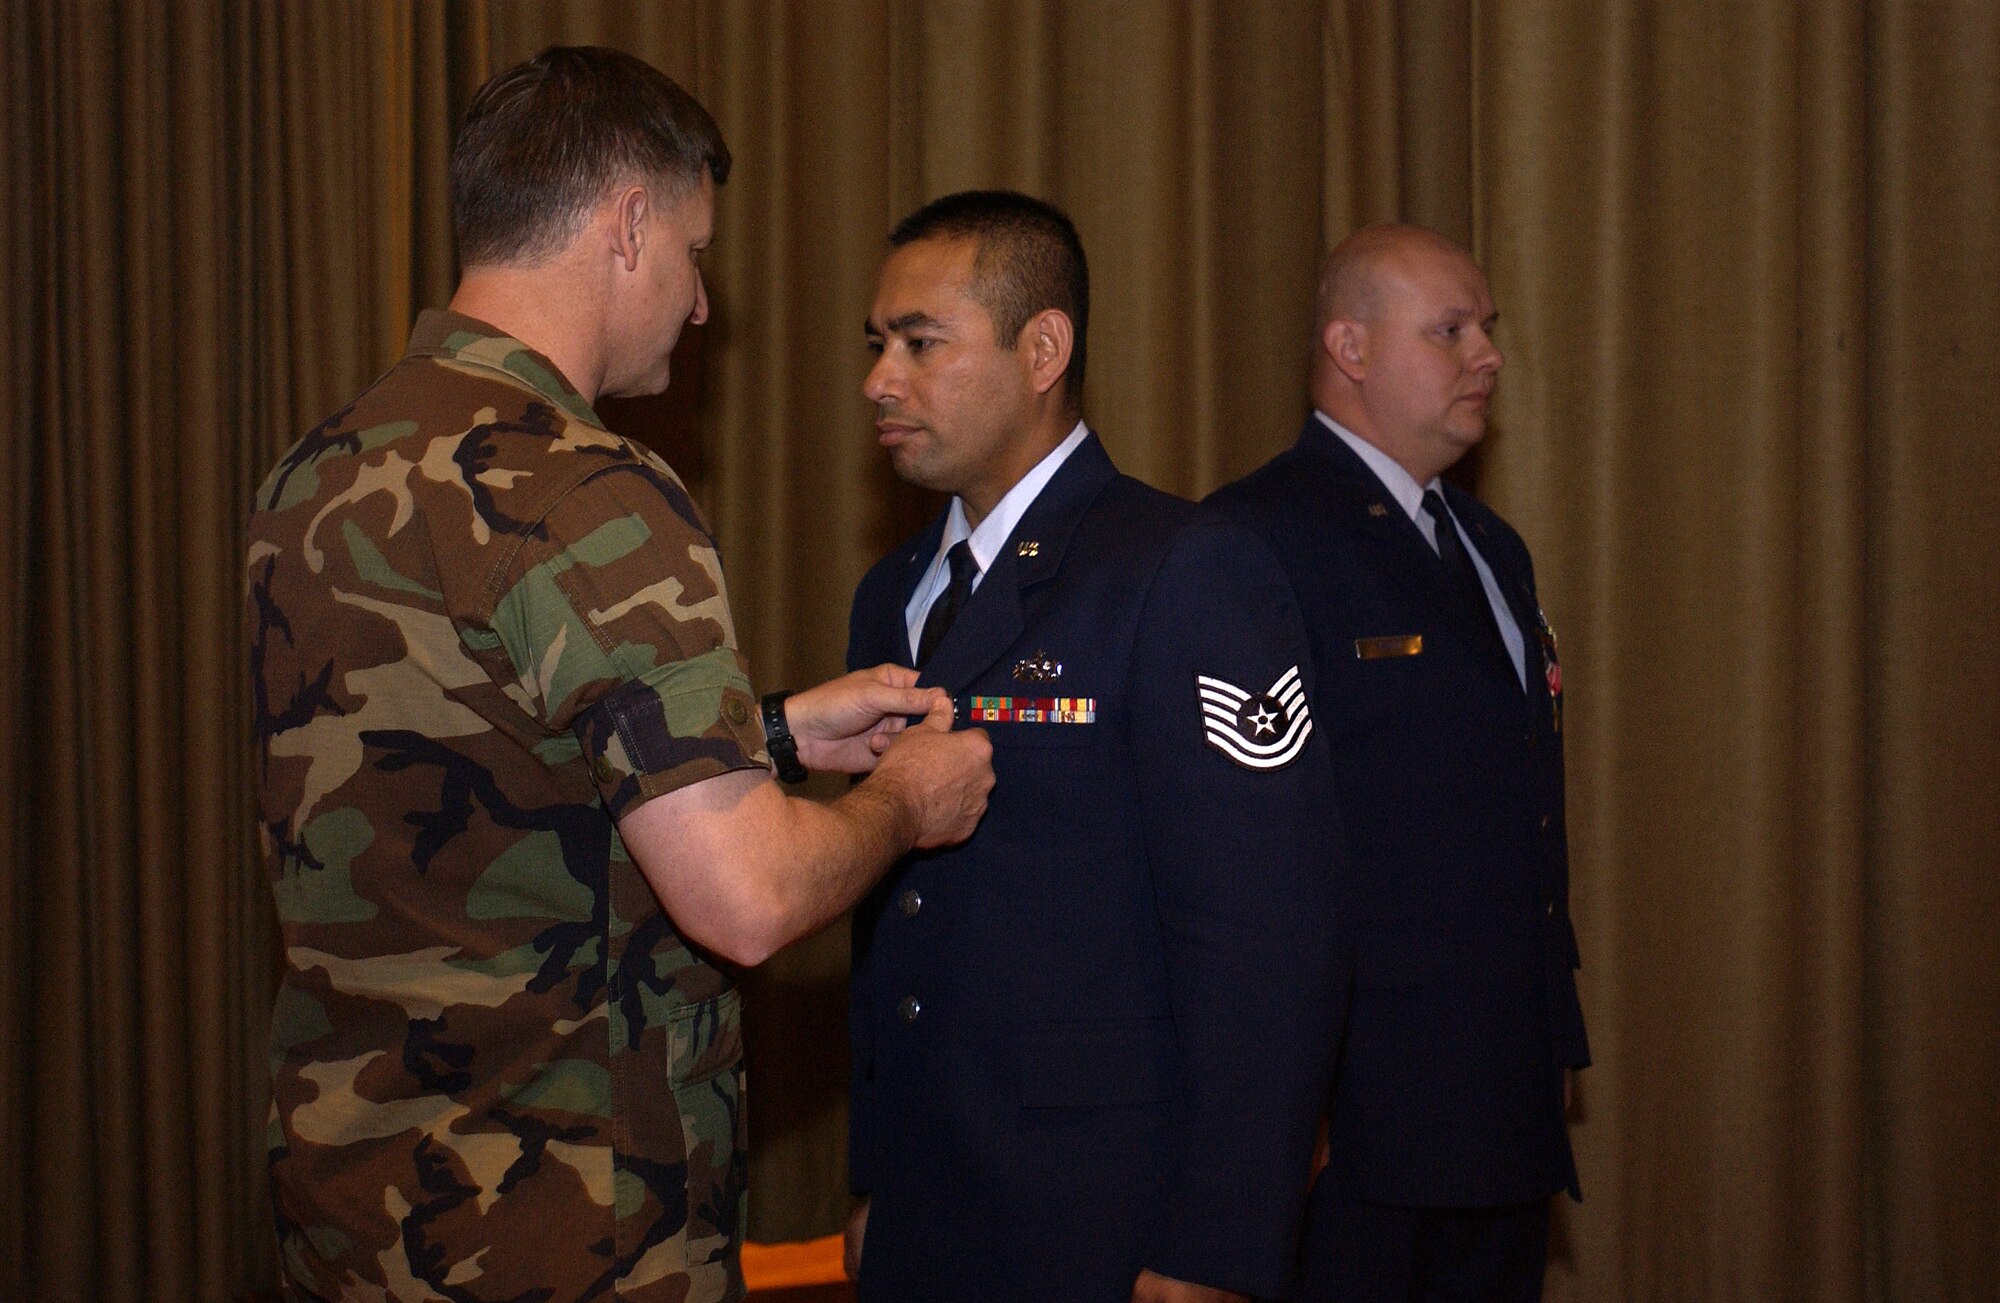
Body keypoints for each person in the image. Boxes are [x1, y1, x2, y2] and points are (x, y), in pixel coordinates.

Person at [247, 47, 992, 1303]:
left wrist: (776, 731)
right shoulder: (588, 488)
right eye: (697, 254)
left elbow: (477, 761)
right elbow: (743, 896)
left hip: (353, 1213)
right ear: (629, 224)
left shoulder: (314, 471)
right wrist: (904, 804)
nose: (702, 305)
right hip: (564, 1227)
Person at [840, 190, 1343, 1303]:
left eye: (920, 343)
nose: (880, 377)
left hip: (1104, 1220)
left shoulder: (1183, 567)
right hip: (931, 1210)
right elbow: (894, 937)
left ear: (1042, 348)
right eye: (876, 344)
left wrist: (1216, 1245)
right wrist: (874, 1174)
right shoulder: (894, 594)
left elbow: (1265, 940)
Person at [1206, 224, 1590, 1302]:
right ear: (1350, 347)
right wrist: (1282, 1100)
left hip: (1495, 1095)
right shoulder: (1252, 539)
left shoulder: (1484, 543)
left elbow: (1517, 818)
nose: (1487, 355)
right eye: (1450, 329)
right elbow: (1246, 851)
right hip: (1357, 1121)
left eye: (1487, 329)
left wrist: (1548, 1033)